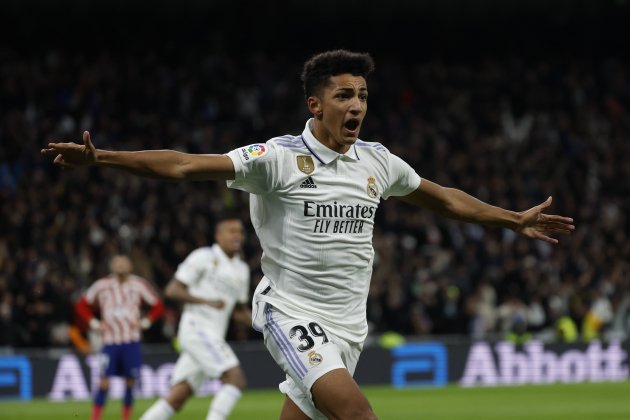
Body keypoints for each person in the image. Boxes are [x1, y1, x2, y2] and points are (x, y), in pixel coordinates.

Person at [43, 49, 575, 419]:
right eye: (345, 95)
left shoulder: (377, 162)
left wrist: (513, 219)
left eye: (363, 95)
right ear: (315, 106)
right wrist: (103, 158)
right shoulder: (276, 159)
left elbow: (442, 198)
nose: (358, 106)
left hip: (349, 326)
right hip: (291, 314)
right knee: (358, 414)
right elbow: (184, 165)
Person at [140, 215, 251, 420]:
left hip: (213, 335)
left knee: (177, 396)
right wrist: (205, 301)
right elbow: (172, 290)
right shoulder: (203, 257)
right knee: (235, 379)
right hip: (197, 328)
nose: (238, 236)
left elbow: (238, 310)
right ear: (218, 235)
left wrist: (264, 325)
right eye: (232, 231)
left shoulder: (242, 269)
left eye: (241, 232)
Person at [75, 254, 165, 420]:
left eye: (124, 263)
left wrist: (145, 322)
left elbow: (158, 305)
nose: (121, 266)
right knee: (104, 382)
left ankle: (126, 418)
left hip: (131, 341)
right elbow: (81, 305)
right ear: (111, 266)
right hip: (110, 342)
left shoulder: (138, 284)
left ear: (130, 266)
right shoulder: (102, 285)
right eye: (117, 263)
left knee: (130, 381)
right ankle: (95, 418)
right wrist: (94, 323)